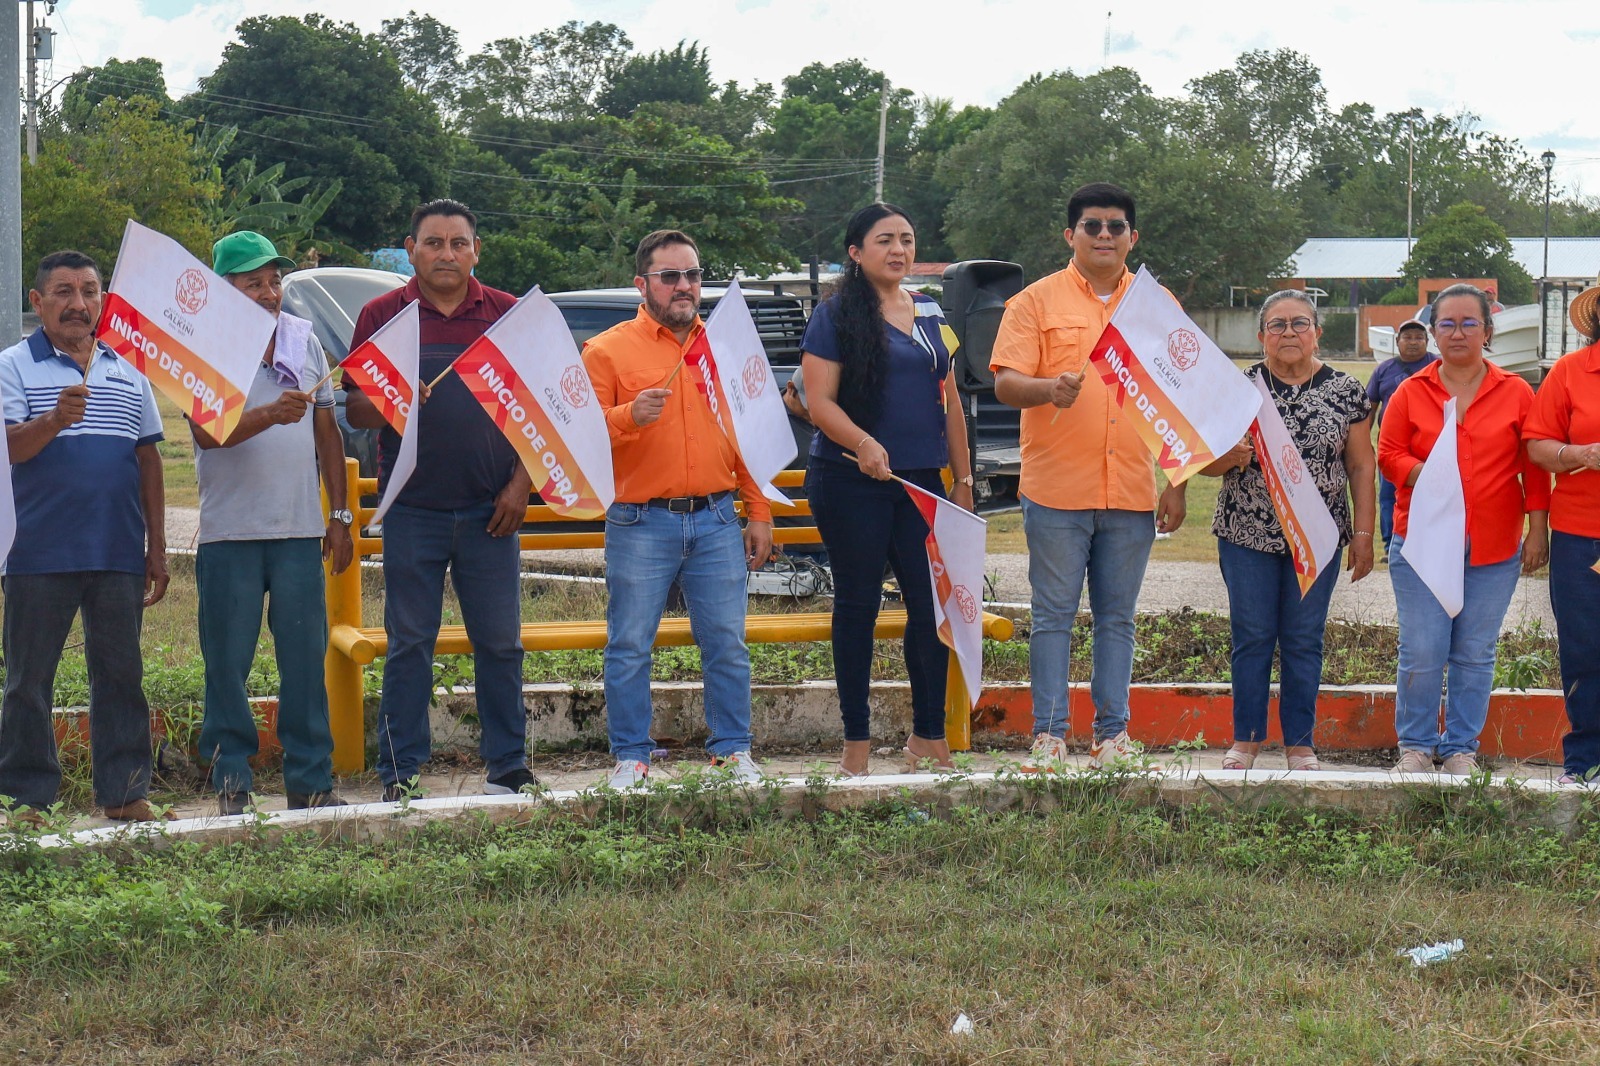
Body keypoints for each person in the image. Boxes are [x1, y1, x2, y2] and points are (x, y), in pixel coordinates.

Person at [989, 182, 1187, 771]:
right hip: (1056, 490)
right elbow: (1004, 383)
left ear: (1133, 237)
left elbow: (1181, 400)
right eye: (1093, 226)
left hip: (1130, 488)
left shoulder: (1157, 305)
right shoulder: (1034, 302)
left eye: (1116, 226)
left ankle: (1111, 737)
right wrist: (1049, 388)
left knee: (1117, 618)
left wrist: (1176, 481)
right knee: (1052, 615)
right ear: (1069, 235)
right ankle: (1049, 736)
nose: (1105, 235)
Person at [345, 200, 538, 801]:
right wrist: (397, 398)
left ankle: (508, 767)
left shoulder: (508, 315)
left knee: (501, 643)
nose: (446, 254)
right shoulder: (382, 315)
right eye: (433, 243)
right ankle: (400, 775)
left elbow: (544, 413)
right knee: (409, 644)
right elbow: (353, 409)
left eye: (458, 243)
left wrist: (520, 486)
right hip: (411, 510)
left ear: (476, 249)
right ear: (411, 249)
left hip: (492, 510)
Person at [583, 229, 774, 790]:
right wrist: (626, 418)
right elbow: (580, 441)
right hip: (640, 520)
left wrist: (757, 510)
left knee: (726, 642)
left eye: (692, 275)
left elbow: (748, 435)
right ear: (642, 284)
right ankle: (631, 759)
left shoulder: (725, 348)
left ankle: (732, 753)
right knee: (629, 644)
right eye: (671, 276)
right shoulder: (606, 350)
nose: (685, 286)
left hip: (717, 517)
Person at [800, 204, 975, 776]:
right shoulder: (835, 316)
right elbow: (819, 402)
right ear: (855, 253)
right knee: (859, 606)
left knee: (930, 610)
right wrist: (863, 443)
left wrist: (964, 479)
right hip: (852, 480)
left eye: (906, 238)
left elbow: (949, 401)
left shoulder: (928, 314)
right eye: (884, 241)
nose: (898, 250)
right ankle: (856, 744)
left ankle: (928, 736)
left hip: (921, 483)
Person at [0, 251, 169, 824]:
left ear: (102, 300)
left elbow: (148, 461)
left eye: (90, 291)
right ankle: (27, 799)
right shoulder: (13, 366)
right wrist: (51, 420)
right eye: (64, 292)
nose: (78, 304)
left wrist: (156, 547)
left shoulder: (128, 371)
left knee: (121, 674)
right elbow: (8, 450)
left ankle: (124, 793)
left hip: (118, 549)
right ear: (38, 302)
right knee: (28, 679)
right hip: (37, 552)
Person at [192, 231, 355, 816]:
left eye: (274, 282)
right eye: (253, 282)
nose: (268, 293)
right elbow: (209, 435)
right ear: (225, 290)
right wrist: (266, 414)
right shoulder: (204, 347)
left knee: (304, 665)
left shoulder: (302, 339)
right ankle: (232, 783)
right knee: (228, 667)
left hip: (297, 531)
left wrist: (338, 515)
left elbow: (327, 432)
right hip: (229, 534)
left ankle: (310, 782)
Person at [1200, 291, 1376, 771]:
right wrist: (1228, 459)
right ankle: (1247, 739)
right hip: (1246, 535)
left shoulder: (1345, 390)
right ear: (1261, 337)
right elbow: (1204, 463)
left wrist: (1364, 533)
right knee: (1252, 636)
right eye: (1277, 325)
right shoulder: (1239, 388)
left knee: (1303, 638)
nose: (1289, 333)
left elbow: (1361, 466)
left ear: (1317, 332)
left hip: (1316, 539)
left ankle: (1300, 743)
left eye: (1300, 323)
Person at [1379, 283, 1550, 775]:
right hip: (1423, 543)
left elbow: (1534, 467)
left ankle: (1459, 749)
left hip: (1494, 545)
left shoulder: (1516, 392)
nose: (1457, 332)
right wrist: (1433, 474)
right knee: (1423, 647)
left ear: (1488, 331)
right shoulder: (1412, 391)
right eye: (1447, 323)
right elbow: (1389, 456)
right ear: (1433, 332)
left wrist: (1537, 529)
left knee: (1475, 651)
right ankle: (1414, 745)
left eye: (1468, 322)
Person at [1523, 284, 1600, 784]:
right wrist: (1579, 455)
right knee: (1585, 647)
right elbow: (1536, 445)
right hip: (1582, 535)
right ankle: (1587, 760)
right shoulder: (1571, 372)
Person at [1368, 318, 1435, 556]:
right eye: (1407, 337)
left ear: (1428, 342)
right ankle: (1390, 545)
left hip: (1427, 448)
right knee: (1387, 495)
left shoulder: (1438, 367)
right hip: (1392, 447)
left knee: (1427, 495)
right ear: (1397, 342)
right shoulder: (1383, 370)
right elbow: (1370, 408)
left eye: (1419, 338)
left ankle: (1427, 542)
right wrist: (1363, 444)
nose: (1413, 342)